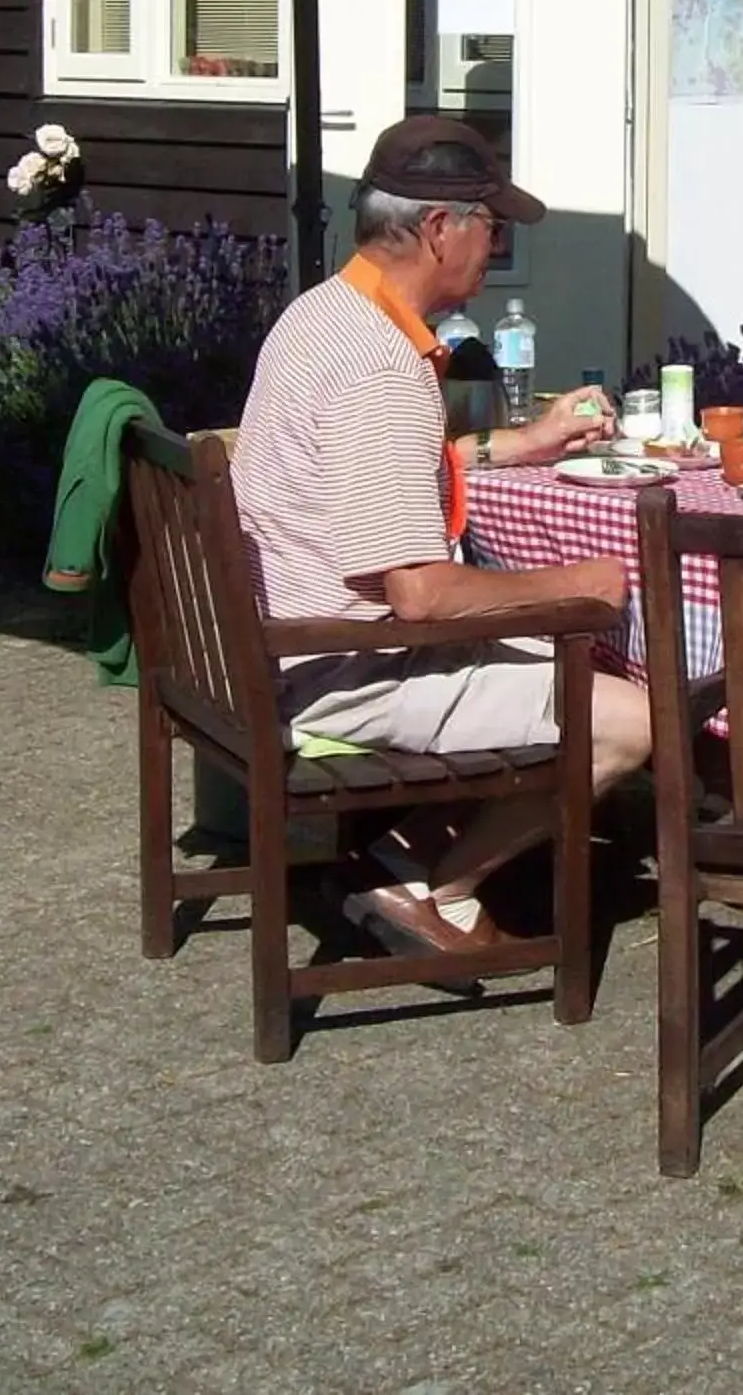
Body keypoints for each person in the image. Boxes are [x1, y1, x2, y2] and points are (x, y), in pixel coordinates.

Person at [229, 115, 650, 959]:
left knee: (546, 650)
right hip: (340, 669)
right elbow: (420, 592)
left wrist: (516, 446)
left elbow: (368, 473)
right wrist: (579, 588)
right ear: (436, 229)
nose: (495, 247)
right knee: (634, 718)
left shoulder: (322, 314)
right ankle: (439, 887)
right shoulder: (379, 367)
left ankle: (396, 861)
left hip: (285, 646)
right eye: (491, 227)